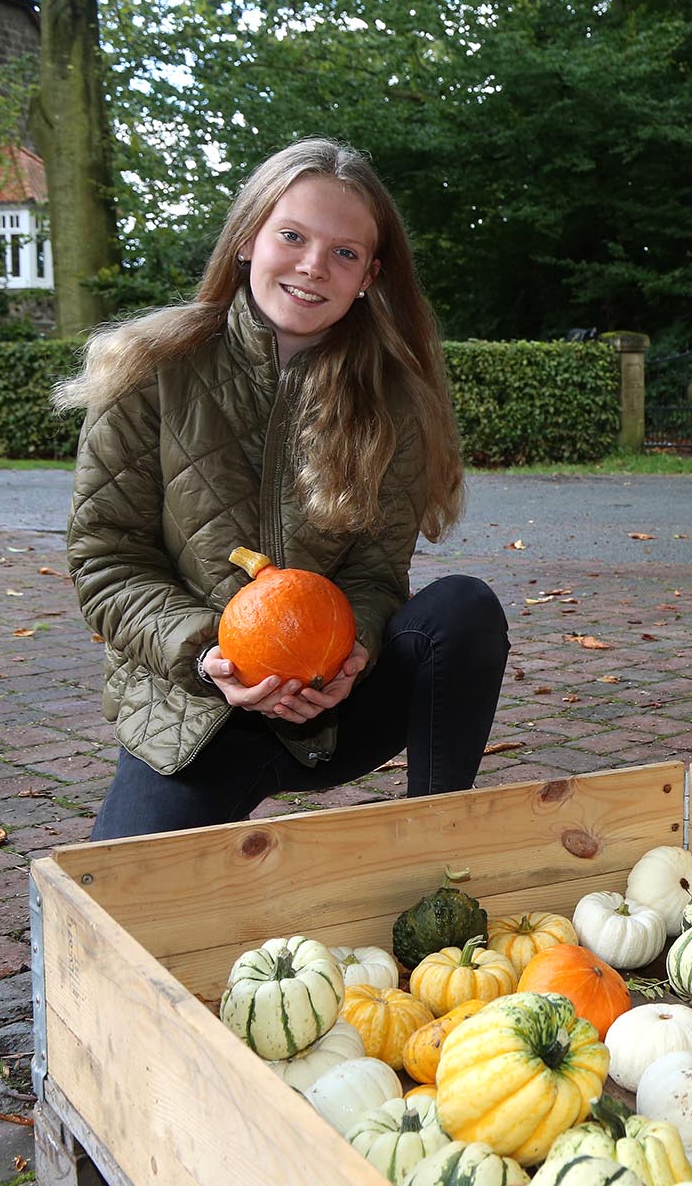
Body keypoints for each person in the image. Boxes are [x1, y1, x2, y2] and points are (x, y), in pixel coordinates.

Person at [59, 138, 509, 839]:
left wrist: (349, 653)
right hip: (198, 709)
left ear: (369, 274)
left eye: (344, 253)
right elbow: (106, 561)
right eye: (292, 236)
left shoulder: (392, 398)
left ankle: (435, 840)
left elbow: (374, 572)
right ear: (247, 239)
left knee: (462, 611)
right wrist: (212, 655)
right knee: (111, 920)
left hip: (337, 703)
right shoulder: (150, 368)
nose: (312, 267)